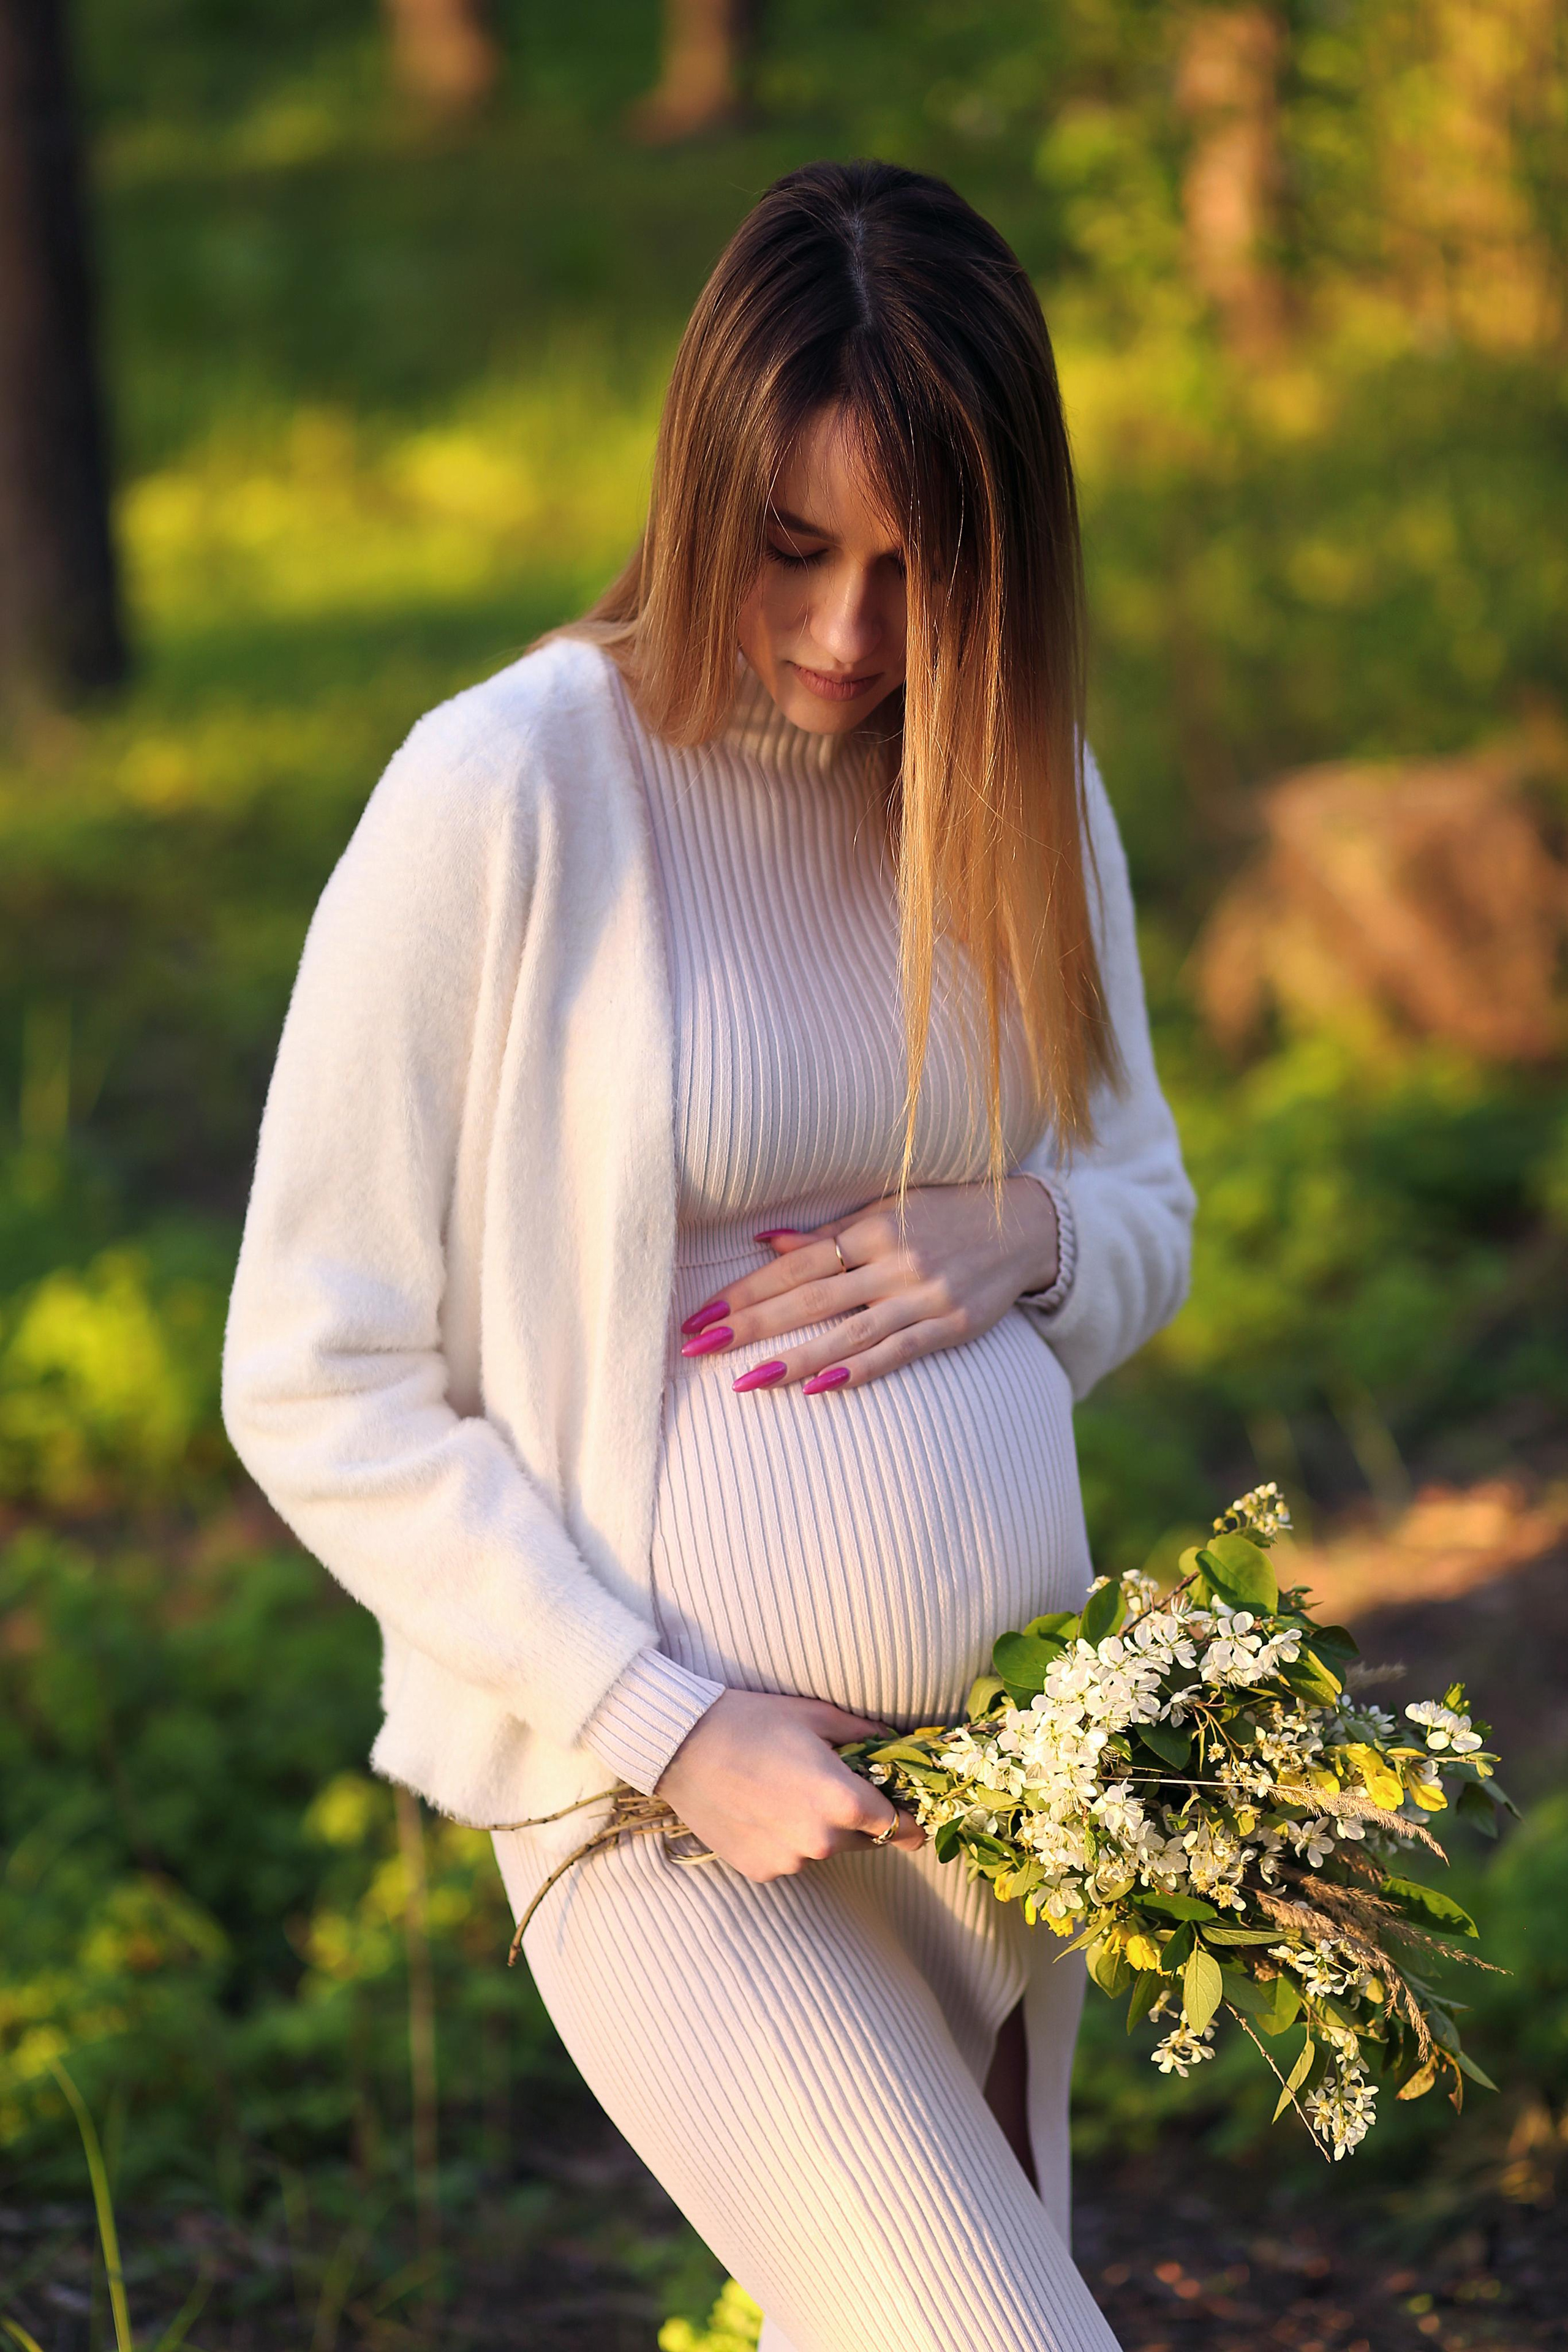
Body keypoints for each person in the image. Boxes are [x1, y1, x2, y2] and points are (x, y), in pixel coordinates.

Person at [223, 159, 1194, 2352]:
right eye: (790, 552)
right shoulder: (506, 792)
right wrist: (667, 1724)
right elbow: (314, 1372)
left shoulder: (1011, 775)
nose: (850, 637)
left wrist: (1020, 1228)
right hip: (660, 1809)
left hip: (998, 1807)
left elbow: (1145, 1202)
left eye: (911, 569)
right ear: (697, 486)